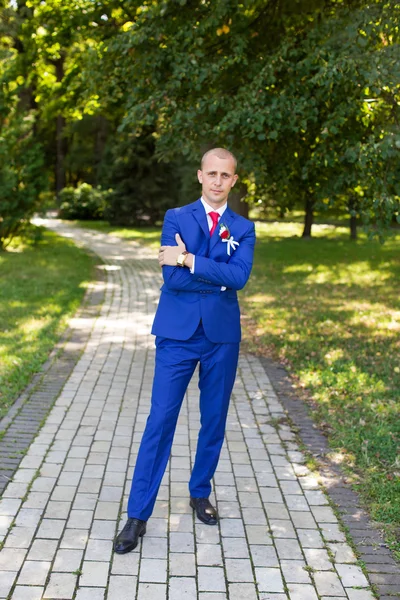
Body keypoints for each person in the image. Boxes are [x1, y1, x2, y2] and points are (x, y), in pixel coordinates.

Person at [114, 147, 256, 554]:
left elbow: (240, 277)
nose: (216, 181)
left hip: (221, 337)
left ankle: (199, 492)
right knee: (160, 420)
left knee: (214, 420)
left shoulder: (243, 228)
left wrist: (189, 258)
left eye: (224, 175)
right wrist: (217, 278)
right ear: (199, 176)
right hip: (177, 335)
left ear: (233, 180)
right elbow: (172, 281)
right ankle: (137, 514)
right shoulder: (176, 218)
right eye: (210, 173)